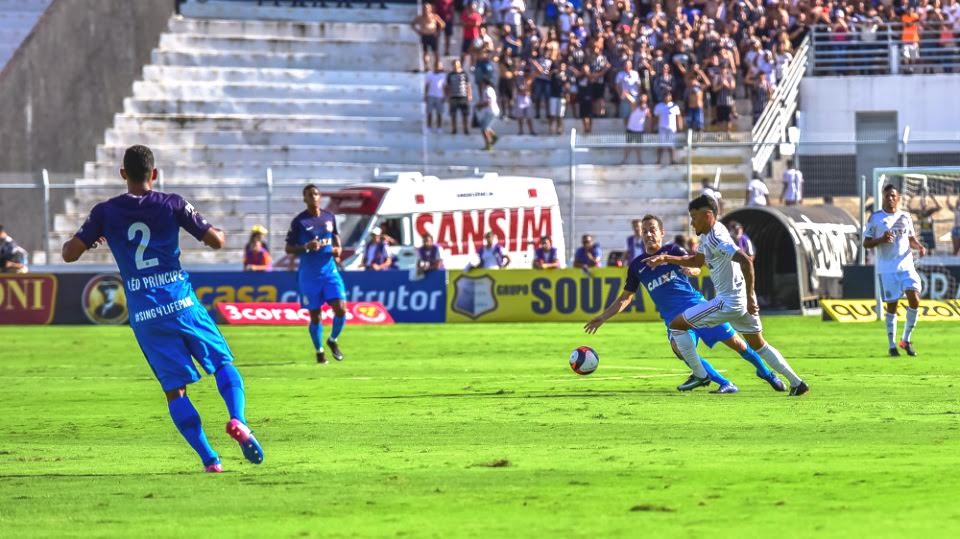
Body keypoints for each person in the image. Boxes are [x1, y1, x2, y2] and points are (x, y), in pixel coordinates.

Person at [60, 145, 264, 472]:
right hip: (181, 302)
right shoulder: (173, 203)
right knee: (223, 362)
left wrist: (93, 237)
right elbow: (216, 241)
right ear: (154, 174)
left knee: (174, 390)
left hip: (145, 314)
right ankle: (238, 420)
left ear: (123, 174)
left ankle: (210, 459)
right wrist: (221, 232)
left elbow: (69, 253)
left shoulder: (105, 212)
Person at [584, 214, 784, 394]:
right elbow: (625, 297)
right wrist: (603, 317)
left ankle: (767, 374)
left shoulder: (672, 250)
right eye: (644, 231)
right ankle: (724, 383)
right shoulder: (637, 265)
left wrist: (691, 271)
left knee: (737, 343)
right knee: (682, 352)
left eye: (652, 229)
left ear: (661, 232)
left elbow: (696, 266)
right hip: (675, 320)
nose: (648, 234)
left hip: (699, 308)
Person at [644, 195, 809, 396]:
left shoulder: (717, 239)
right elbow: (697, 262)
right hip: (739, 302)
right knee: (759, 345)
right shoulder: (708, 236)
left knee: (677, 325)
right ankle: (797, 382)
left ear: (707, 216)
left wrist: (749, 297)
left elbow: (746, 261)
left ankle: (701, 374)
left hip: (729, 302)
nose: (691, 221)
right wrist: (666, 258)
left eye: (694, 217)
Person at [285, 184, 348, 364]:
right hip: (309, 275)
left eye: (316, 194)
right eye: (309, 195)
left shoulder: (329, 217)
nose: (313, 197)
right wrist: (305, 247)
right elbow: (288, 248)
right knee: (315, 315)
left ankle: (333, 340)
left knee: (341, 309)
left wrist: (339, 249)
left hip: (330, 271)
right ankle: (319, 351)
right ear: (304, 199)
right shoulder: (299, 222)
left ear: (320, 197)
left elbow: (335, 236)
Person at [864, 185, 926, 357]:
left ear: (898, 198)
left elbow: (911, 239)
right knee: (892, 306)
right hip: (887, 269)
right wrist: (881, 239)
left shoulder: (905, 216)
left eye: (892, 196)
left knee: (914, 299)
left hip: (906, 266)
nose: (889, 199)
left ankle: (905, 339)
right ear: (883, 198)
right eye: (886, 196)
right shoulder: (875, 218)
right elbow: (866, 243)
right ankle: (892, 345)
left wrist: (919, 246)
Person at [411, 3, 445, 71]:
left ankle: (437, 66)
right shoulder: (420, 17)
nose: (425, 10)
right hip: (424, 35)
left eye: (427, 9)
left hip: (432, 36)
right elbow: (412, 24)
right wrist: (418, 31)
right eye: (424, 9)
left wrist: (437, 32)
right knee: (425, 52)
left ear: (430, 9)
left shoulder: (434, 16)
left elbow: (442, 24)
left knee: (435, 52)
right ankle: (426, 67)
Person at [907, 188, 942, 254]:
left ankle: (930, 262)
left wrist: (933, 198)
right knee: (922, 248)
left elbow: (939, 207)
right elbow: (909, 208)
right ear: (920, 204)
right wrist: (911, 199)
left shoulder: (929, 211)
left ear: (927, 204)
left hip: (929, 231)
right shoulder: (918, 212)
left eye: (925, 202)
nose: (924, 204)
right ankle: (922, 261)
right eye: (922, 202)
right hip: (922, 232)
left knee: (930, 249)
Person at [654, 92, 682, 165]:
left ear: (671, 97)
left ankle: (673, 160)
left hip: (672, 129)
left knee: (671, 145)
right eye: (665, 96)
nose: (666, 97)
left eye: (668, 96)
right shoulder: (658, 106)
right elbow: (656, 118)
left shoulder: (675, 106)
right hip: (662, 128)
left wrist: (680, 127)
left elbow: (678, 117)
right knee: (661, 145)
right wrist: (654, 127)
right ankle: (658, 160)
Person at [445, 59, 472, 135]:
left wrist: (469, 95)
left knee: (465, 114)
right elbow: (447, 86)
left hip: (463, 96)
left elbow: (468, 85)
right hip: (453, 97)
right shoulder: (450, 75)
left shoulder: (464, 74)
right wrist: (448, 96)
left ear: (460, 64)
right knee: (453, 114)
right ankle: (454, 129)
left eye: (457, 64)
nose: (456, 66)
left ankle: (466, 129)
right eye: (454, 64)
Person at [424, 60, 447, 133]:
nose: (438, 67)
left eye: (439, 65)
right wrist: (426, 95)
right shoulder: (429, 74)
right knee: (429, 112)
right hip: (431, 95)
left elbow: (444, 86)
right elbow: (427, 85)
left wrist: (445, 95)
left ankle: (439, 127)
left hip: (440, 96)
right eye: (436, 65)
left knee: (439, 113)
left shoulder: (443, 75)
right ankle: (428, 127)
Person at [476, 79, 500, 151]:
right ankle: (494, 137)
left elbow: (488, 102)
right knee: (486, 126)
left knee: (484, 128)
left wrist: (479, 105)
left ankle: (488, 145)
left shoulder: (488, 90)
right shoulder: (489, 89)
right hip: (491, 111)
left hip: (491, 111)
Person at [948, 189, 960, 255]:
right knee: (956, 249)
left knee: (957, 249)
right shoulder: (955, 209)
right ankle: (953, 263)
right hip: (956, 229)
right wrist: (948, 194)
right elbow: (948, 203)